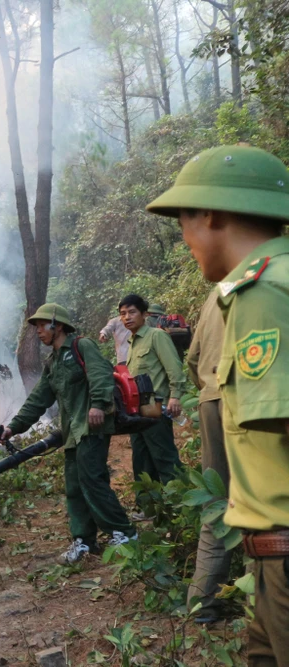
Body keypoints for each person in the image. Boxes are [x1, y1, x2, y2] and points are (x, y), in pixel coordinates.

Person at [146, 144, 289, 666]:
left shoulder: (263, 293)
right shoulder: (259, 285)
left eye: (183, 219)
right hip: (269, 558)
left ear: (210, 214)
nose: (184, 239)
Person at [0, 303, 136, 564]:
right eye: (36, 326)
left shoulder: (82, 347)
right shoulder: (54, 362)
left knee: (93, 480)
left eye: (41, 325)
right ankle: (84, 541)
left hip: (92, 427)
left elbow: (101, 375)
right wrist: (12, 427)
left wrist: (97, 404)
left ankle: (124, 534)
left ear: (57, 325)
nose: (38, 331)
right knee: (74, 486)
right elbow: (38, 400)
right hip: (71, 432)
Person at [185, 291, 233, 623]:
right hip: (255, 401)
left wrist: (208, 389)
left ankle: (202, 606)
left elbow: (193, 357)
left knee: (217, 500)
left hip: (211, 400)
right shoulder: (276, 275)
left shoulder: (216, 293)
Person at [119, 293, 185, 518]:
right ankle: (150, 509)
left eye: (132, 312)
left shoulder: (156, 336)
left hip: (156, 410)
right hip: (137, 413)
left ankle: (180, 508)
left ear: (145, 314)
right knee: (141, 461)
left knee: (165, 458)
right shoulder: (131, 342)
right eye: (123, 314)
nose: (127, 317)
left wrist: (175, 396)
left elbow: (174, 367)